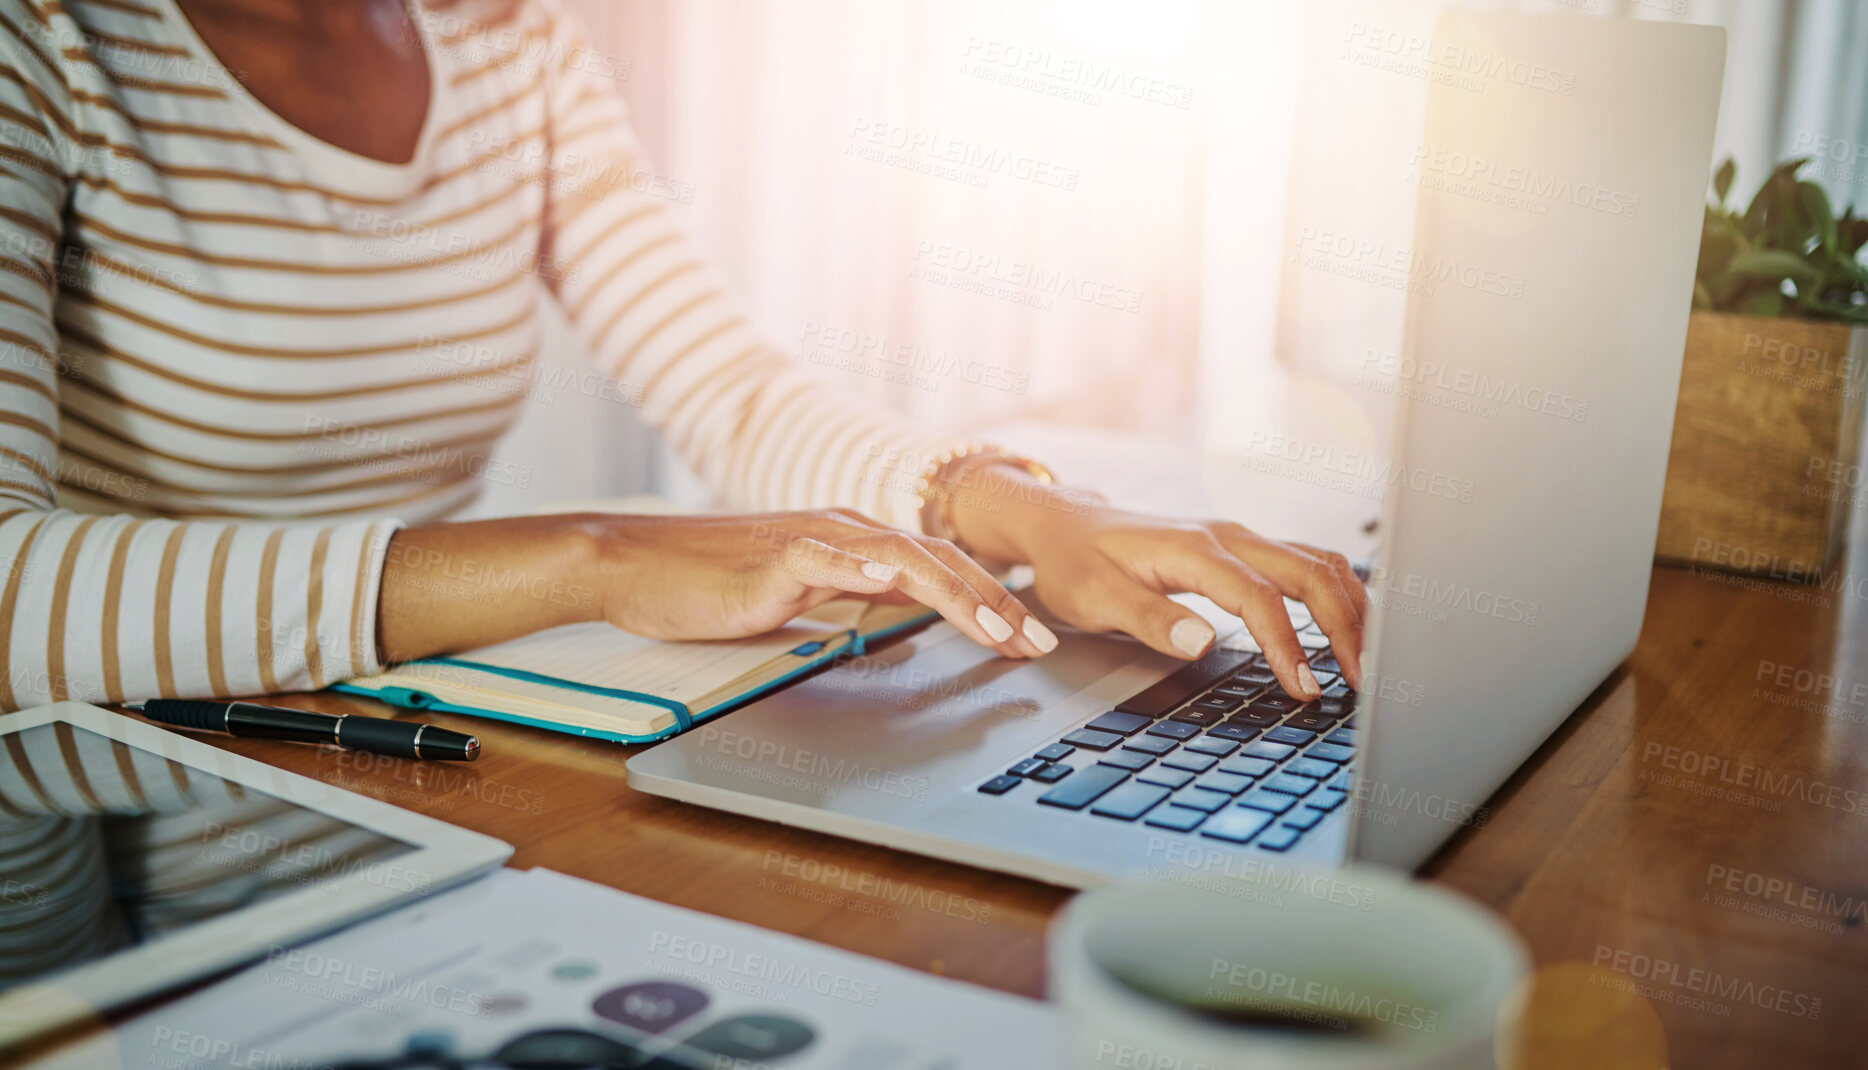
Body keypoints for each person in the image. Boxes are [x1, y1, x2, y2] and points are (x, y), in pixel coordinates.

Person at [0, 0, 1365, 715]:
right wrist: (592, 555)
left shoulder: (512, 47)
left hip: (421, 753)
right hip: (110, 812)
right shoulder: (44, 39)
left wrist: (1017, 508)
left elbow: (727, 386)